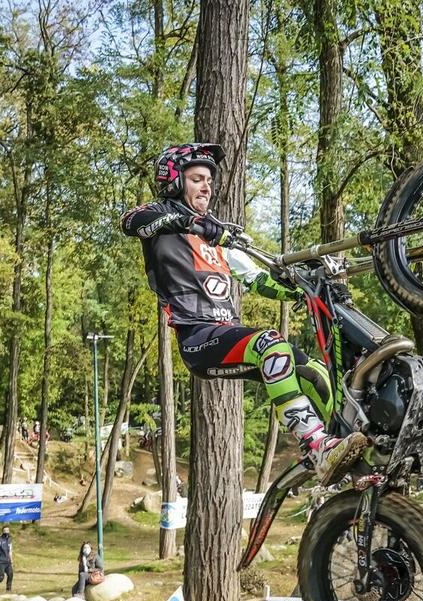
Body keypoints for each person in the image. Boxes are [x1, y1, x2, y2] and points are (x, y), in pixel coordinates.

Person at [120, 143, 365, 486]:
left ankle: (347, 451)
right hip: (198, 340)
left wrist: (307, 290)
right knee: (271, 343)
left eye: (209, 181)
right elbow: (130, 222)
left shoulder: (216, 236)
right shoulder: (160, 220)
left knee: (314, 372)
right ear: (174, 182)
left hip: (229, 334)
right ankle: (316, 444)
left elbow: (257, 279)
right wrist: (194, 224)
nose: (206, 187)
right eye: (196, 179)